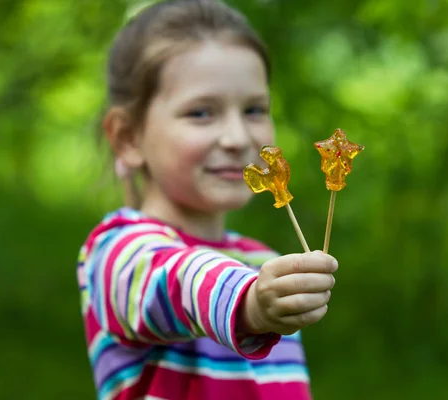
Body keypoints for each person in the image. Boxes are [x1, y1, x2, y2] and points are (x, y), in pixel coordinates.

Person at [76, 1, 338, 399]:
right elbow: (175, 283)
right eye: (201, 113)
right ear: (128, 138)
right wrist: (249, 304)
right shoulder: (116, 252)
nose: (237, 138)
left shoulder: (264, 264)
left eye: (254, 109)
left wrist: (259, 293)